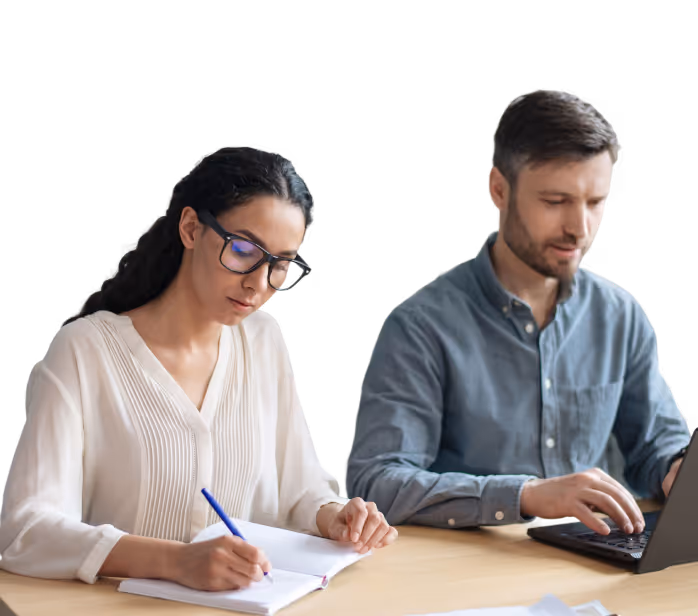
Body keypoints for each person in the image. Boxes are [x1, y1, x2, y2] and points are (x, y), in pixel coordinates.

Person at [0, 146, 397, 592]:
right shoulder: (84, 353)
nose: (258, 283)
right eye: (244, 249)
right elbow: (25, 531)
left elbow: (297, 485)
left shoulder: (263, 341)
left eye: (280, 265)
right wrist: (176, 562)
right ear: (191, 228)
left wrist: (335, 516)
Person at [342, 89, 691, 538]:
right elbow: (375, 482)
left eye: (595, 202)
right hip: (471, 579)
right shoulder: (421, 325)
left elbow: (656, 446)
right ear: (498, 189)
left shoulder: (620, 314)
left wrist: (677, 471)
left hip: (598, 559)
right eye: (555, 201)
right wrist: (526, 494)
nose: (579, 228)